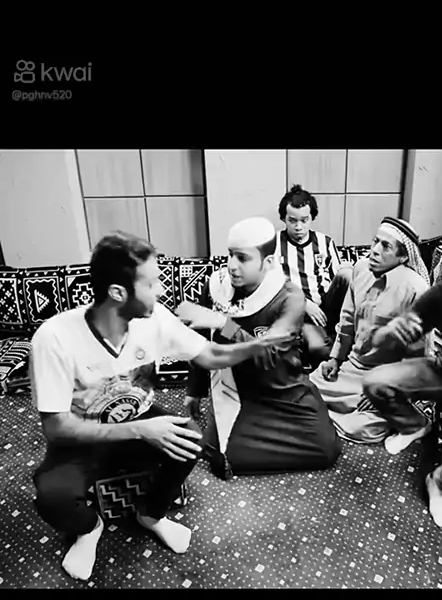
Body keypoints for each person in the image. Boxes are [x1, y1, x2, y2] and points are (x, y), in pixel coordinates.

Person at [30, 231, 290, 581]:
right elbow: (56, 427)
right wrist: (140, 430)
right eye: (152, 284)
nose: (164, 290)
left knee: (191, 441)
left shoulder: (155, 319)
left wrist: (257, 346)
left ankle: (150, 515)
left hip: (140, 418)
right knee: (52, 496)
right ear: (118, 293)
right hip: (84, 436)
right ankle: (89, 528)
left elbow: (210, 355)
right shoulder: (54, 338)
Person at [177, 217, 341, 479]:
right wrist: (194, 391)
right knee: (219, 458)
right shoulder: (216, 287)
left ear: (268, 262)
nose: (231, 265)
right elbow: (199, 342)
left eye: (242, 258)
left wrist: (224, 324)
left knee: (327, 450)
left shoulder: (289, 297)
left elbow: (268, 355)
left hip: (283, 389)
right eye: (230, 255)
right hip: (238, 391)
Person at [363, 229, 442, 528]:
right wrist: (390, 333)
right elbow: (402, 329)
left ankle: (439, 482)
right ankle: (415, 425)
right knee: (377, 382)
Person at [309, 217, 431, 443]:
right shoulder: (360, 269)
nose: (374, 250)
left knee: (360, 428)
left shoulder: (416, 290)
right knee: (305, 390)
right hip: (351, 368)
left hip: (386, 377)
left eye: (385, 246)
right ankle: (344, 411)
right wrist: (335, 359)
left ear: (403, 257)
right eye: (375, 242)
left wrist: (385, 389)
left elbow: (415, 356)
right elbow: (346, 321)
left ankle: (405, 417)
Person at [277, 184, 353, 368]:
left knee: (346, 273)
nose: (298, 227)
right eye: (292, 220)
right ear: (283, 219)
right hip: (298, 312)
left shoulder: (325, 242)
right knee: (319, 349)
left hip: (327, 306)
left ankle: (349, 328)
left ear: (312, 218)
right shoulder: (274, 245)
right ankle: (327, 343)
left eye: (304, 220)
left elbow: (339, 282)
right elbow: (269, 286)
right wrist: (304, 303)